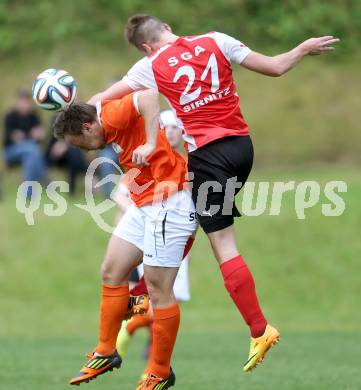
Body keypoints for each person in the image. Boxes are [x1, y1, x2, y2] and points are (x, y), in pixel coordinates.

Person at [87, 14, 340, 372]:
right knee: (187, 211)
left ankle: (259, 329)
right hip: (241, 148)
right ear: (168, 29)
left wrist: (71, 104)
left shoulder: (150, 65)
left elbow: (100, 102)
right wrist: (302, 47)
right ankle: (142, 293)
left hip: (208, 156)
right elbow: (274, 67)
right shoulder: (216, 39)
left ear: (145, 46)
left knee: (223, 244)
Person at [54, 89, 197, 389]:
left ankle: (159, 371)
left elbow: (147, 96)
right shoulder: (100, 118)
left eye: (77, 143)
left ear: (87, 127)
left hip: (170, 200)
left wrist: (149, 141)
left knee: (159, 292)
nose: (81, 149)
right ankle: (106, 351)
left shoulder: (110, 114)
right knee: (112, 270)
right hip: (144, 201)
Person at [115, 110, 192, 378]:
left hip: (176, 239)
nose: (170, 131)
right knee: (155, 298)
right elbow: (120, 195)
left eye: (175, 127)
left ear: (182, 133)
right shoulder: (144, 159)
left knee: (170, 299)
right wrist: (141, 217)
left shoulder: (189, 163)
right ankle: (131, 331)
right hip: (147, 240)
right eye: (165, 126)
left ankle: (151, 352)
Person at [3, 90, 47, 198]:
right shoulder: (10, 116)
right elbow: (11, 137)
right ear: (17, 102)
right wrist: (21, 137)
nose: (24, 104)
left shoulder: (34, 117)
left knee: (31, 157)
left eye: (27, 102)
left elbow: (40, 136)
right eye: (22, 101)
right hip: (11, 152)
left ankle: (28, 194)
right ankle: (44, 176)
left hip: (29, 153)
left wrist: (39, 135)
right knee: (32, 149)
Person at [46, 116, 89, 195]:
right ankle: (88, 176)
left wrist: (66, 145)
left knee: (74, 156)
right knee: (75, 155)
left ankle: (73, 190)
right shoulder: (56, 118)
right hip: (56, 157)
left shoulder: (76, 119)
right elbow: (52, 143)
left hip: (71, 155)